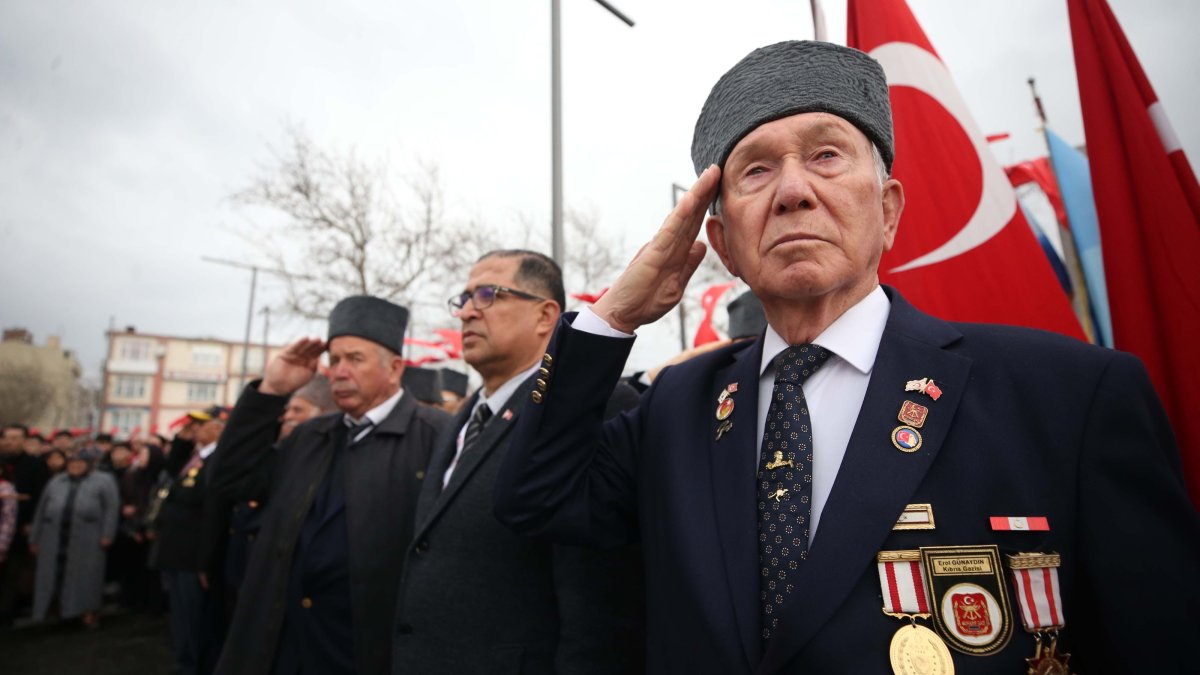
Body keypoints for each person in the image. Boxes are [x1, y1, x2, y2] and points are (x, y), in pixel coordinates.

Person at [495, 40, 1200, 673]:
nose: (794, 190)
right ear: (724, 242)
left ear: (888, 208)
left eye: (826, 155)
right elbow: (533, 496)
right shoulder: (678, 411)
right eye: (756, 170)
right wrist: (611, 319)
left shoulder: (1067, 396)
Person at [391, 250, 644, 673]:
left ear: (546, 316)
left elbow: (601, 604)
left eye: (488, 294)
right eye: (465, 298)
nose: (467, 313)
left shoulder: (596, 405)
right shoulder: (466, 417)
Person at [210, 296, 450, 675]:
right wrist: (271, 390)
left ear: (395, 368)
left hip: (364, 654)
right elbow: (230, 480)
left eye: (355, 359)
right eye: (334, 360)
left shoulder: (437, 438)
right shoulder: (308, 437)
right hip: (285, 649)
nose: (339, 372)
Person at [151, 406, 231, 675]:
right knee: (181, 618)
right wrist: (182, 441)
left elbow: (212, 515)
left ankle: (195, 667)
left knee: (195, 621)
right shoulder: (194, 458)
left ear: (219, 428)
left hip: (194, 556)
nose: (195, 429)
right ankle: (186, 662)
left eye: (201, 425)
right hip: (176, 553)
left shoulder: (218, 461)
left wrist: (205, 562)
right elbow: (171, 473)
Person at [29, 452, 119, 628]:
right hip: (54, 536)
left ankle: (87, 611)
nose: (75, 466)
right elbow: (41, 509)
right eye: (72, 463)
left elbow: (111, 508)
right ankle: (54, 611)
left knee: (86, 575)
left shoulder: (104, 480)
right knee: (53, 574)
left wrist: (108, 534)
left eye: (80, 463)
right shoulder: (56, 481)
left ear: (89, 464)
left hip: (88, 536)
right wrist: (35, 537)